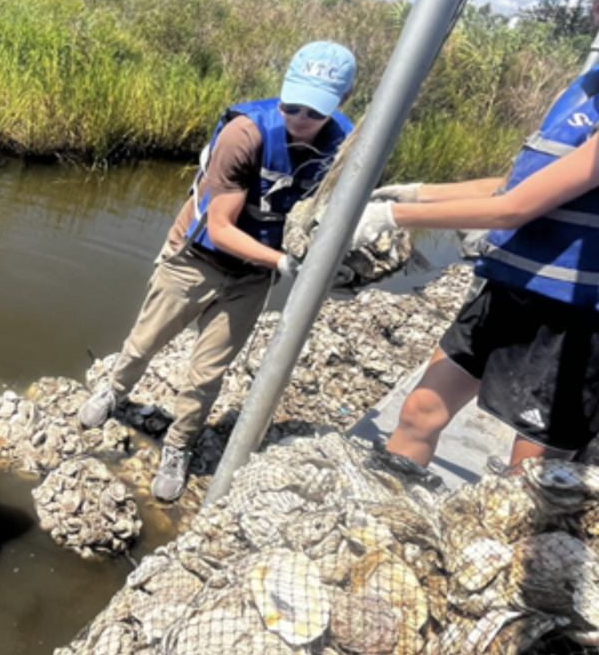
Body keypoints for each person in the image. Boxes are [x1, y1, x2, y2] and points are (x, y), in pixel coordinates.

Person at [80, 41, 357, 501]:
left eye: (314, 109)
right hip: (196, 258)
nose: (300, 117)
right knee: (145, 340)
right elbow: (222, 228)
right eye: (292, 103)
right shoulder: (246, 135)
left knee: (207, 373)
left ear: (342, 103)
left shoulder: (344, 144)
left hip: (251, 277)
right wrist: (288, 264)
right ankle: (114, 390)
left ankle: (179, 445)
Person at [352, 62, 599, 470]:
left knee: (533, 473)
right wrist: (415, 194)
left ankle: (512, 533)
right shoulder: (580, 88)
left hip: (573, 316)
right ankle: (389, 517)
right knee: (419, 411)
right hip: (507, 288)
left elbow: (511, 209)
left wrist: (393, 216)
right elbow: (509, 187)